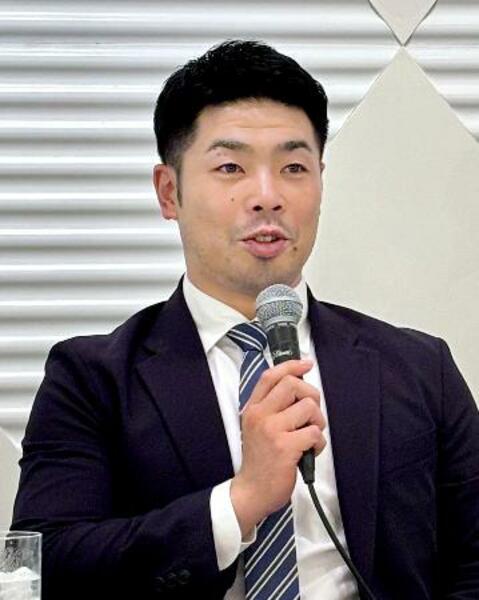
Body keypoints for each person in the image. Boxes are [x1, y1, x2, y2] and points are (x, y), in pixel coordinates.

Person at [12, 40, 479, 600]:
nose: (268, 196)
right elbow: (47, 566)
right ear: (169, 192)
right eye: (231, 167)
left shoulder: (419, 368)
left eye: (294, 167)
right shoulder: (92, 378)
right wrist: (240, 502)